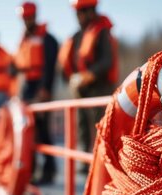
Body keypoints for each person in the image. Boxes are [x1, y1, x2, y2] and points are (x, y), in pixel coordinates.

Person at [58, 0, 118, 172]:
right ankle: (85, 164)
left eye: (81, 12)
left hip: (99, 89)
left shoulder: (102, 32)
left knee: (102, 127)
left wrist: (87, 76)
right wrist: (73, 79)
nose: (78, 16)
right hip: (81, 91)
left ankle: (104, 166)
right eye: (77, 13)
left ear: (91, 11)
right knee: (82, 126)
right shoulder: (77, 36)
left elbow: (107, 61)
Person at [14, 1, 59, 184]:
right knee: (28, 131)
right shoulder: (24, 39)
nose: (26, 21)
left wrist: (45, 89)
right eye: (24, 18)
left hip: (41, 88)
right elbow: (18, 65)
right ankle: (30, 171)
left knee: (42, 131)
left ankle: (49, 170)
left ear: (34, 16)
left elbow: (49, 66)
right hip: (27, 88)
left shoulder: (47, 39)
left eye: (29, 18)